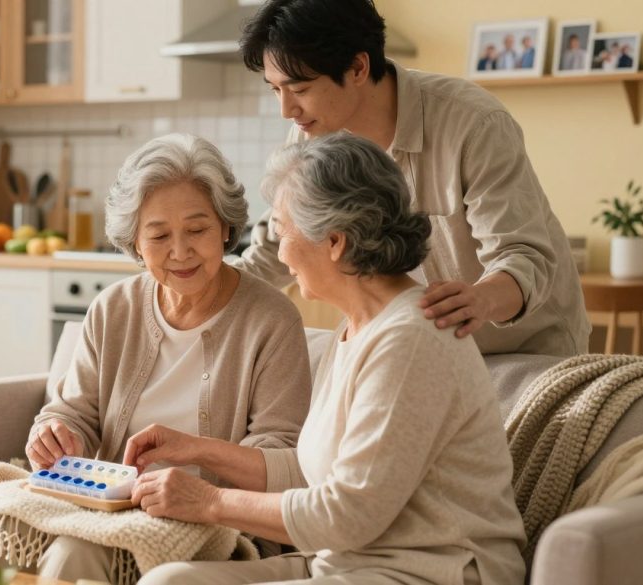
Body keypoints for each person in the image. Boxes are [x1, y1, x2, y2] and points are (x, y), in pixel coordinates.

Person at [130, 134, 527, 585]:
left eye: (282, 231)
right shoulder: (358, 327)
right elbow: (307, 471)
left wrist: (207, 501)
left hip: (430, 571)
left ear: (334, 241)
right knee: (170, 581)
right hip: (348, 562)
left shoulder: (411, 340)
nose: (278, 253)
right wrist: (196, 449)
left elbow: (347, 512)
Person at [18, 133, 312, 582]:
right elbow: (73, 411)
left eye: (197, 230)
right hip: (118, 511)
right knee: (69, 554)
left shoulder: (272, 320)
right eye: (158, 235)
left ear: (227, 229)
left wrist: (197, 476)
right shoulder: (113, 308)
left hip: (225, 525)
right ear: (135, 243)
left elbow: (281, 458)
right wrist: (54, 432)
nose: (180, 252)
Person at [233, 0, 589, 357]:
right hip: (424, 350)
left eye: (299, 89)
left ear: (357, 67)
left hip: (526, 353)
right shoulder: (312, 134)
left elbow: (524, 256)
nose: (286, 110)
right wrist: (208, 285)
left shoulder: (472, 123)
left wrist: (479, 299)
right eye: (275, 89)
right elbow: (282, 241)